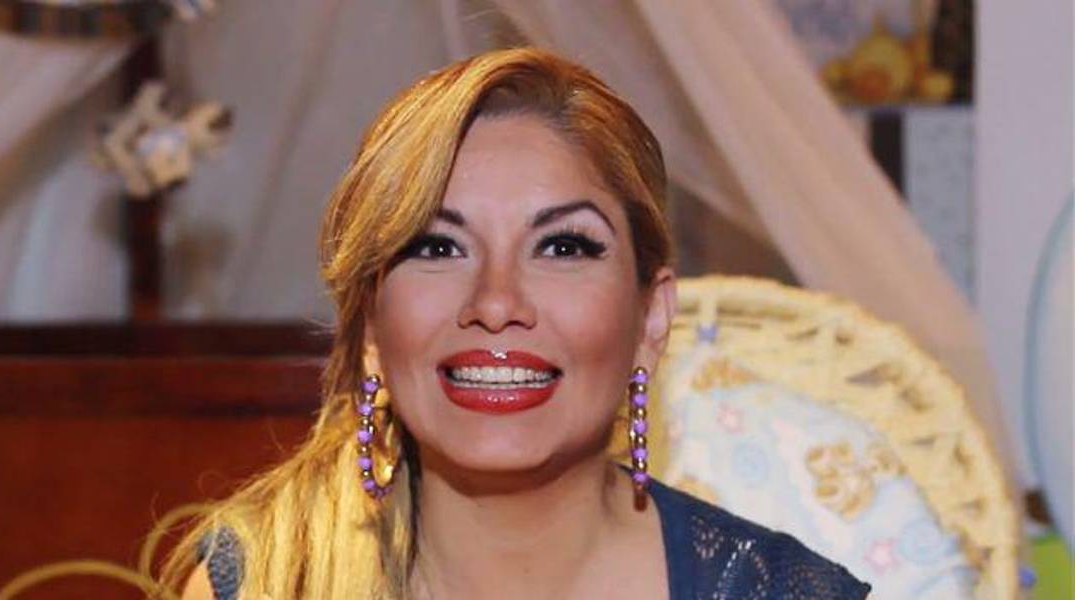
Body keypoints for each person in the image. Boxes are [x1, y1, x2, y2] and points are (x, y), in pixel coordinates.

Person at [163, 47, 871, 600]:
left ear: (650, 319)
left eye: (562, 247)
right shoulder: (262, 584)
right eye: (437, 247)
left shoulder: (780, 592)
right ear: (372, 323)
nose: (497, 303)